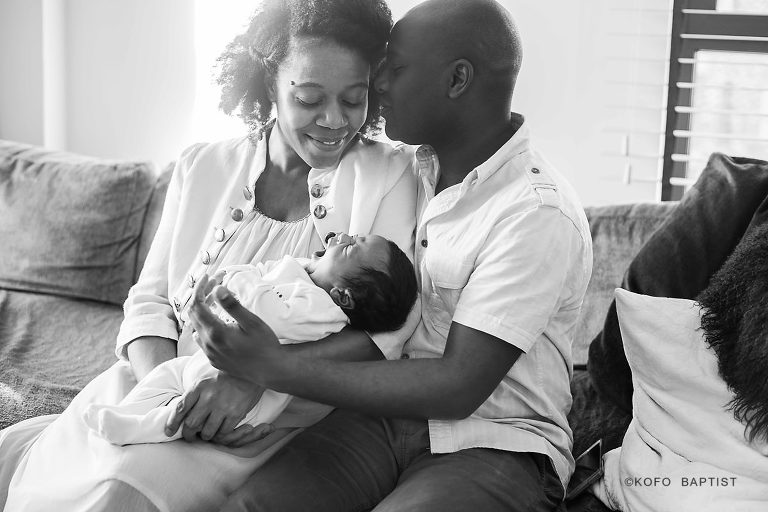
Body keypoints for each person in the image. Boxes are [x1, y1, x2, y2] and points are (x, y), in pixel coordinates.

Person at [0, 1, 419, 510]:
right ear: (270, 84)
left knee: (118, 490)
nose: (335, 120)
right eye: (310, 98)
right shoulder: (203, 166)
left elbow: (385, 329)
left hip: (267, 416)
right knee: (41, 468)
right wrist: (172, 393)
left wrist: (250, 376)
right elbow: (150, 304)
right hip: (154, 387)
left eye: (354, 100)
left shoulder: (392, 174)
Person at [190, 1, 593, 511]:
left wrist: (269, 368)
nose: (377, 85)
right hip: (377, 424)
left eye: (394, 69)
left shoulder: (534, 212)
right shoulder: (412, 170)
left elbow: (458, 386)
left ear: (458, 79)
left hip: (495, 439)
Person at [84, 233, 417, 446]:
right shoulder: (304, 279)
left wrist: (235, 277)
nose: (343, 236)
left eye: (351, 247)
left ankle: (138, 431)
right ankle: (127, 413)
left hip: (249, 398)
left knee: (180, 413)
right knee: (161, 379)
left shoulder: (316, 307)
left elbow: (258, 308)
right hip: (197, 362)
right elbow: (257, 282)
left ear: (344, 296)